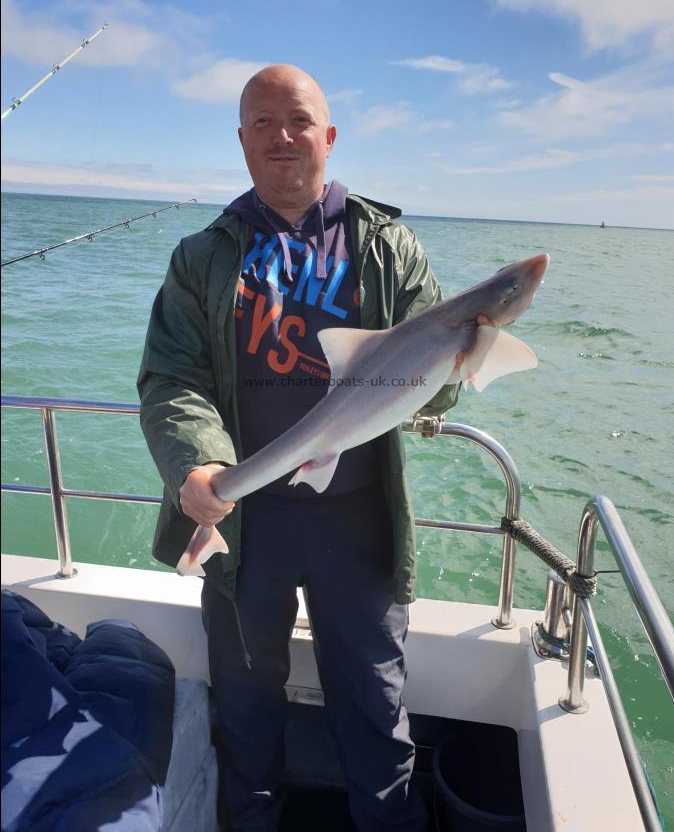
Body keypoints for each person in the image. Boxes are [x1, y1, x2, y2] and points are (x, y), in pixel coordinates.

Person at [138, 64, 460, 831]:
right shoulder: (202, 256)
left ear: (330, 135)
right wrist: (197, 464)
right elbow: (170, 377)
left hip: (357, 523)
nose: (281, 136)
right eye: (261, 122)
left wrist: (456, 363)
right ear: (242, 139)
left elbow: (436, 387)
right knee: (244, 709)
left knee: (377, 709)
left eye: (298, 120)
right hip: (248, 526)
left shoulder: (388, 247)